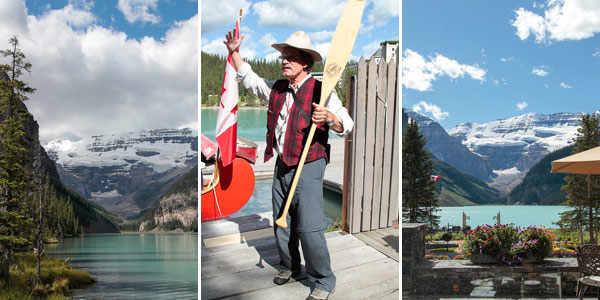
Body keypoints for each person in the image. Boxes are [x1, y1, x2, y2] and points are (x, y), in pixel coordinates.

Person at [224, 29, 353, 300]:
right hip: (282, 162)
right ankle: (290, 266)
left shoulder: (322, 89)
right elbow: (250, 79)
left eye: (291, 57)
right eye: (283, 57)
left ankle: (324, 279)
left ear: (305, 62)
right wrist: (234, 52)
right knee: (281, 222)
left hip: (309, 164)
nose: (284, 61)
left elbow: (346, 124)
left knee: (309, 226)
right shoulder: (278, 89)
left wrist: (329, 117)